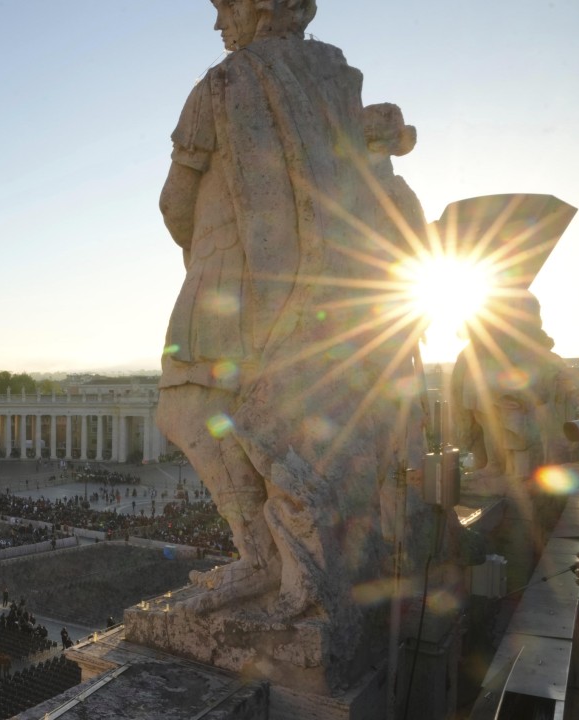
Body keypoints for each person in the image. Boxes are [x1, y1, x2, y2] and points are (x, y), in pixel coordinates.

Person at [156, 0, 417, 617]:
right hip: (316, 288)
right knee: (282, 410)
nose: (219, 25)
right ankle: (304, 553)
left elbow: (174, 204)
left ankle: (263, 558)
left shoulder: (222, 83)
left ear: (257, 7)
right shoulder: (335, 78)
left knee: (189, 407)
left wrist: (207, 248)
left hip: (228, 278)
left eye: (225, 8)